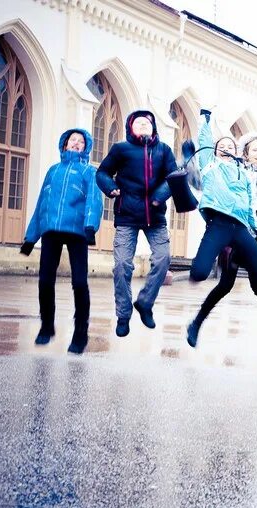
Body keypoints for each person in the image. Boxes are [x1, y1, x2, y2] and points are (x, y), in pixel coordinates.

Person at [185, 121, 257, 352]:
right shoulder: (234, 170)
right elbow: (204, 181)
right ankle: (196, 324)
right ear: (244, 153)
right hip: (233, 233)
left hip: (256, 236)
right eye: (254, 150)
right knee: (225, 284)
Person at [20, 128, 103, 354]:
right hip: (51, 232)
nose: (76, 143)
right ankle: (46, 326)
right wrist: (31, 237)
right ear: (64, 145)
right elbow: (42, 204)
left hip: (77, 232)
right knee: (45, 281)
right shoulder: (53, 171)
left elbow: (94, 201)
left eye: (80, 141)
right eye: (72, 140)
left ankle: (80, 334)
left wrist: (90, 226)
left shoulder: (89, 172)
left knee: (79, 282)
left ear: (85, 147)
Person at [96, 110, 175, 337]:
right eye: (138, 122)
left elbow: (172, 178)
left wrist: (159, 196)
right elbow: (102, 172)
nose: (143, 125)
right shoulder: (121, 149)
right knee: (122, 266)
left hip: (155, 217)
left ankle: (145, 303)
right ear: (131, 127)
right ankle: (123, 315)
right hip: (127, 215)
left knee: (163, 259)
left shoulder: (164, 150)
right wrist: (110, 189)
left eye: (147, 122)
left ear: (153, 127)